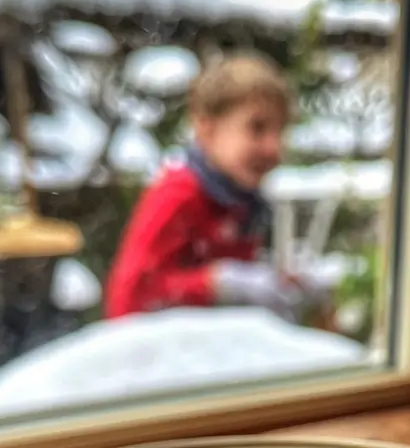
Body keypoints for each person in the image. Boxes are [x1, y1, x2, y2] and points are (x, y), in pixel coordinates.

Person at [103, 52, 309, 322]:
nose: (274, 148)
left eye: (280, 131)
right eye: (257, 128)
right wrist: (217, 283)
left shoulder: (240, 201)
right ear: (207, 131)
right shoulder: (178, 194)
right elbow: (128, 299)